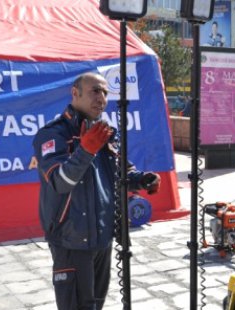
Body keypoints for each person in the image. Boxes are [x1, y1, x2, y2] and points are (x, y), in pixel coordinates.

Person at [33, 72, 161, 310]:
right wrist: (86, 150)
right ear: (75, 93)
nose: (101, 98)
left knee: (95, 304)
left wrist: (142, 179)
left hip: (102, 237)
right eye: (94, 91)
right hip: (71, 239)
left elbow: (120, 172)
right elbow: (61, 182)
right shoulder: (52, 134)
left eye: (104, 92)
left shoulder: (105, 133)